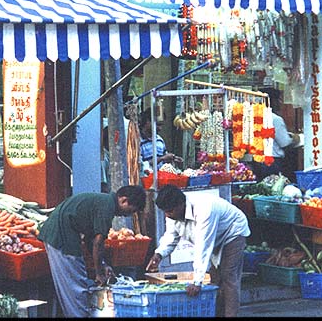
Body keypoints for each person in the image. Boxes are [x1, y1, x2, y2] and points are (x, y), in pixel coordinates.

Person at [38, 185, 147, 318]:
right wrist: (99, 272)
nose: (128, 215)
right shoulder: (106, 206)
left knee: (71, 284)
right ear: (124, 200)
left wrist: (103, 264)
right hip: (61, 236)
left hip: (60, 233)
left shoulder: (104, 202)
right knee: (75, 286)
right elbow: (98, 242)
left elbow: (91, 238)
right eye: (131, 211)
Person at [146, 185, 250, 318]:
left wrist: (197, 281)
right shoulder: (172, 215)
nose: (167, 215)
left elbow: (203, 245)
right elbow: (171, 236)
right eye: (165, 212)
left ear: (180, 205)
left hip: (233, 232)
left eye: (170, 211)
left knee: (228, 276)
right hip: (216, 238)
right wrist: (158, 255)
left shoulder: (204, 208)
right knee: (216, 279)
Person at [251, 87, 296, 181]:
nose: (280, 103)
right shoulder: (275, 119)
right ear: (272, 101)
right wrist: (296, 139)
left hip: (257, 161)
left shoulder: (254, 117)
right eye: (279, 100)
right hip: (272, 162)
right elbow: (285, 143)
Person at [138, 107, 183, 171]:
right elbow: (139, 166)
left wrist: (172, 158)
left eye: (161, 125)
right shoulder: (137, 141)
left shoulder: (159, 140)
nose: (160, 128)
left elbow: (164, 159)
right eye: (158, 125)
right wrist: (162, 158)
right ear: (147, 121)